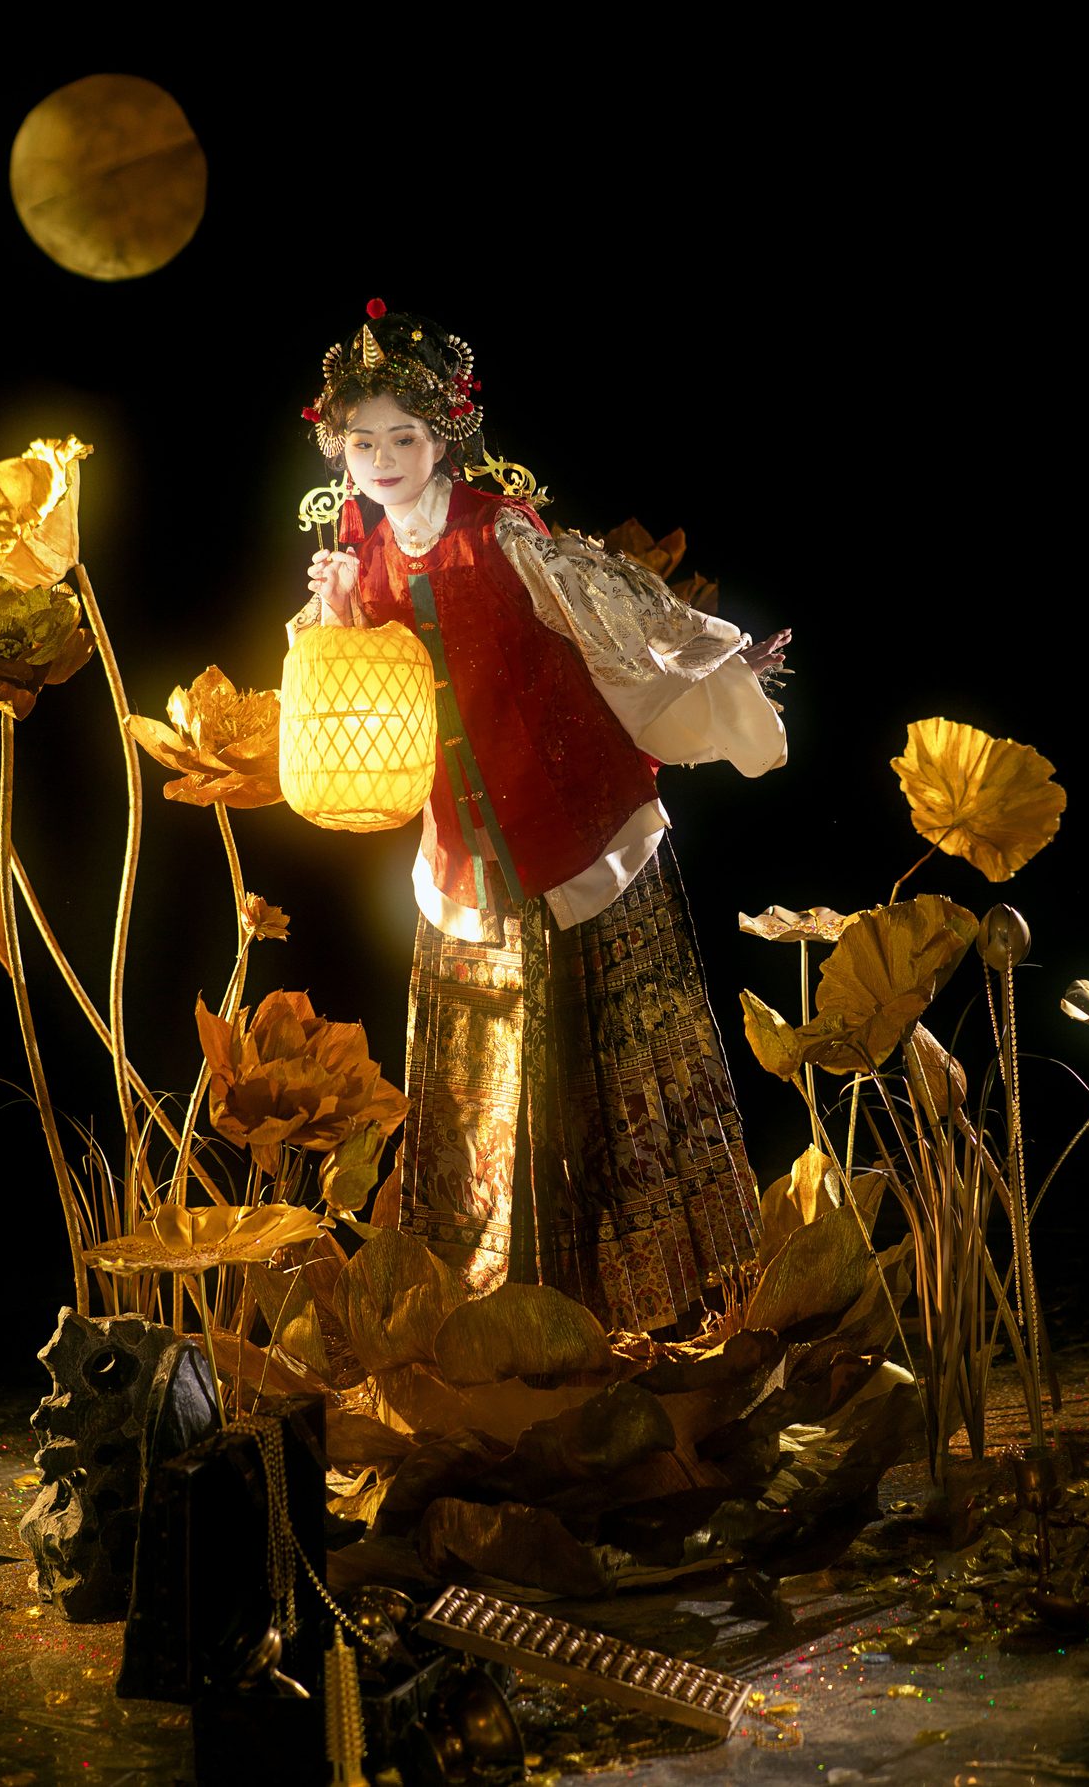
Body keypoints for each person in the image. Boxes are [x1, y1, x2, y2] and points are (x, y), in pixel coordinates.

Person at [297, 301, 790, 1335]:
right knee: (485, 1085)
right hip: (465, 864)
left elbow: (618, 629)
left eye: (403, 438)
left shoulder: (503, 533)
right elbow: (350, 692)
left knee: (604, 1073)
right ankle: (500, 1314)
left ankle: (654, 1308)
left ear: (445, 436)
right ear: (338, 448)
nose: (383, 460)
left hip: (576, 836)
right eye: (364, 442)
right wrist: (337, 612)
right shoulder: (359, 557)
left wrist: (707, 657)